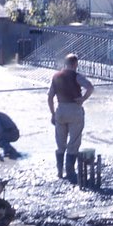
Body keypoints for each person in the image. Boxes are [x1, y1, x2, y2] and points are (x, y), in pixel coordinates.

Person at [47, 53, 94, 183]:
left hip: (60, 109)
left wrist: (52, 114)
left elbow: (50, 97)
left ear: (65, 63)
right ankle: (70, 171)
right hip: (74, 109)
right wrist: (83, 99)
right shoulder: (76, 76)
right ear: (75, 64)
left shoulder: (55, 77)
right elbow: (90, 87)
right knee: (73, 142)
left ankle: (59, 172)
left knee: (60, 143)